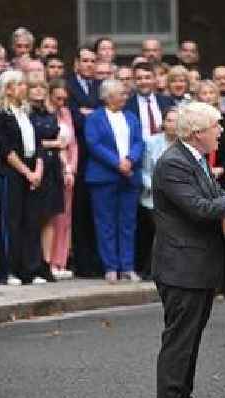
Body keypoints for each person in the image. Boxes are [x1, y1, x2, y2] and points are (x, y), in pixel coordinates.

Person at [153, 101, 225, 398]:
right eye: (216, 125)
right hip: (181, 266)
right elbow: (198, 208)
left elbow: (213, 194)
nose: (221, 131)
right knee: (180, 339)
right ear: (197, 133)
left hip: (198, 264)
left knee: (191, 339)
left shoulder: (195, 159)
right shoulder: (173, 164)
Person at [0, 70, 45, 285]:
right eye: (19, 84)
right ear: (8, 89)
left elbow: (37, 144)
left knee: (31, 221)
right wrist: (27, 173)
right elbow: (6, 149)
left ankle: (30, 269)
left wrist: (37, 169)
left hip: (31, 169)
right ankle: (9, 270)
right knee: (11, 222)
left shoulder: (27, 113)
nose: (24, 88)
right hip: (12, 172)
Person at [84, 79, 144, 283]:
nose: (125, 97)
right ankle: (110, 266)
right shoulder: (94, 118)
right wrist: (117, 162)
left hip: (129, 176)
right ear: (108, 96)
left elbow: (138, 141)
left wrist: (130, 160)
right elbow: (94, 143)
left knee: (128, 223)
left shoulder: (131, 117)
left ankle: (127, 266)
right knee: (106, 223)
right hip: (104, 177)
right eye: (121, 93)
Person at [67, 47, 103, 277]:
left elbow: (103, 118)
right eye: (85, 61)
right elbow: (74, 118)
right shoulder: (69, 86)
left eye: (93, 61)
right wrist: (87, 115)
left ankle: (97, 262)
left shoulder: (101, 87)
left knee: (95, 212)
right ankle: (81, 263)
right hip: (76, 154)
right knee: (78, 210)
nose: (89, 64)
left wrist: (88, 114)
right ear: (76, 63)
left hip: (98, 158)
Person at [28, 79, 64, 283]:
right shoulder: (26, 114)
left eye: (42, 87)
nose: (39, 90)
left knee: (50, 217)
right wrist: (54, 143)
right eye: (34, 87)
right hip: (35, 166)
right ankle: (33, 262)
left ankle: (46, 263)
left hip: (52, 168)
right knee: (34, 217)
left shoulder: (50, 114)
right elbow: (29, 140)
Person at [137, 107, 178, 280]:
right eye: (169, 120)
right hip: (152, 197)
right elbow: (144, 171)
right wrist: (157, 188)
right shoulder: (151, 142)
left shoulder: (186, 145)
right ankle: (149, 269)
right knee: (158, 230)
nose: (172, 125)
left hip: (177, 198)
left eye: (176, 121)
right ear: (163, 123)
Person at [48, 79, 78, 279]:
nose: (61, 102)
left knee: (65, 218)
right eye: (57, 98)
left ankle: (61, 261)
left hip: (67, 169)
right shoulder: (46, 114)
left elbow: (73, 145)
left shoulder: (66, 113)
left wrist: (71, 170)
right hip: (52, 168)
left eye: (64, 98)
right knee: (52, 216)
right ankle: (49, 261)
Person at [124, 62, 173, 141]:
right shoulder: (126, 105)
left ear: (154, 79)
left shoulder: (167, 101)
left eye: (147, 78)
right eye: (139, 78)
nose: (143, 82)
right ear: (134, 81)